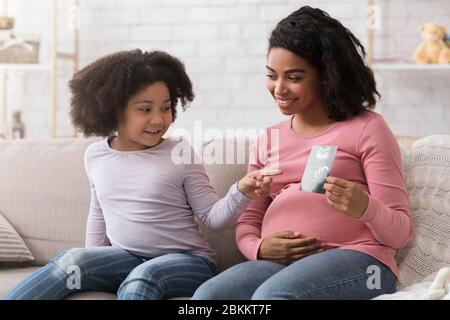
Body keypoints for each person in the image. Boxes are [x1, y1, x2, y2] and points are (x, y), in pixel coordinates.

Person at [4, 49, 279, 300]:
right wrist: (90, 259)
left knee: (143, 278)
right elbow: (99, 214)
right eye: (145, 109)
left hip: (187, 262)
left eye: (167, 107)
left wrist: (240, 192)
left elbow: (213, 218)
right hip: (127, 256)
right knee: (71, 261)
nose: (159, 119)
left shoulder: (180, 153)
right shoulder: (96, 155)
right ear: (114, 109)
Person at [193, 6, 413, 300]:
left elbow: (400, 232)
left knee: (273, 296)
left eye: (294, 77)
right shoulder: (269, 138)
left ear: (326, 75)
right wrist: (257, 248)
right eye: (272, 75)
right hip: (279, 265)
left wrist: (365, 208)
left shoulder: (367, 128)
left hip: (362, 262)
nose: (278, 88)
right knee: (208, 297)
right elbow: (248, 222)